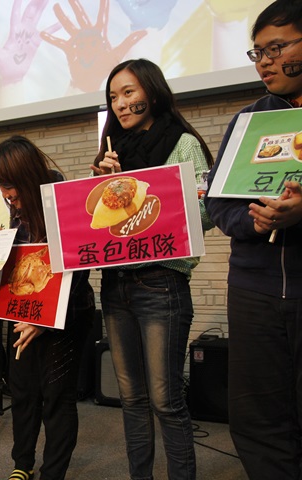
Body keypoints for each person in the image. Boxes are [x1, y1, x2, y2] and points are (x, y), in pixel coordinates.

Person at [91, 58, 214, 480]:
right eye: (113, 97)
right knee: (131, 399)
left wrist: (143, 193)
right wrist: (102, 187)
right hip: (116, 284)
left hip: (162, 282)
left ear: (152, 91)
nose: (120, 104)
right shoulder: (111, 154)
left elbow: (206, 212)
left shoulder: (182, 143)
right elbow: (101, 229)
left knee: (166, 400)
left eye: (129, 92)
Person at [204, 2, 302, 478]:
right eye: (257, 52)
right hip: (253, 289)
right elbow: (219, 204)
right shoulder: (248, 122)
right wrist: (256, 223)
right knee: (257, 415)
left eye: (276, 49)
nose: (264, 62)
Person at [0, 135, 95, 480]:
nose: (6, 195)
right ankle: (22, 465)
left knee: (57, 395)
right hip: (22, 313)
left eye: (10, 186)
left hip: (65, 315)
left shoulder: (63, 201)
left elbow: (78, 271)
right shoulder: (12, 208)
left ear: (28, 177)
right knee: (23, 392)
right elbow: (14, 264)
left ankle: (52, 473)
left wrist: (44, 320)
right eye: (1, 187)